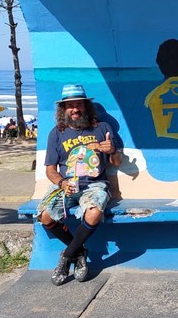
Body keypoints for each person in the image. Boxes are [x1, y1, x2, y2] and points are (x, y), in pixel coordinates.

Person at [36, 84, 123, 285]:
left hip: (94, 185)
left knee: (94, 212)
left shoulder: (102, 129)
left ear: (86, 106)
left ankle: (67, 256)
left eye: (78, 104)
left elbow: (116, 163)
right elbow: (50, 170)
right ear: (63, 110)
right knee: (45, 216)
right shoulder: (57, 133)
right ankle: (79, 252)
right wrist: (62, 182)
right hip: (67, 184)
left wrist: (112, 151)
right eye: (70, 106)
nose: (75, 109)